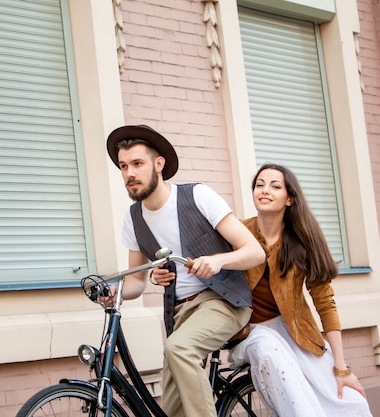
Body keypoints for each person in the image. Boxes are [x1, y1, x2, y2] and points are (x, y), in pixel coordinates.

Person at [105, 124, 265, 417]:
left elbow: (255, 252)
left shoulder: (197, 196)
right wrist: (117, 292)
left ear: (159, 164)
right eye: (124, 166)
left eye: (137, 164)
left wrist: (218, 261)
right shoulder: (133, 218)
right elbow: (137, 283)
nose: (129, 173)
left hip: (224, 301)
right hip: (181, 314)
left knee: (178, 349)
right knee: (175, 406)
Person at [227, 163, 373, 417]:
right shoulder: (237, 232)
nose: (264, 190)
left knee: (351, 403)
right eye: (259, 184)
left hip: (295, 332)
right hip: (251, 332)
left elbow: (325, 302)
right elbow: (203, 261)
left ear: (290, 199)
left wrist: (341, 367)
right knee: (290, 387)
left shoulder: (302, 241)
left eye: (275, 186)